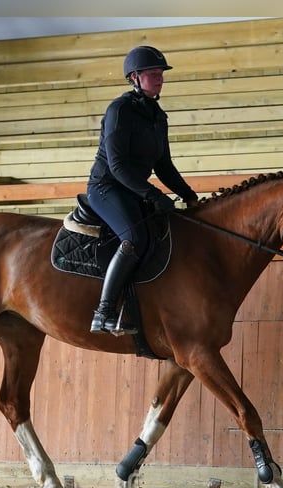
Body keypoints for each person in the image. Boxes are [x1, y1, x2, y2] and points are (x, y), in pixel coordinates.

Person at [86, 45, 199, 335]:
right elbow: (118, 166)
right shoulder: (119, 111)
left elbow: (164, 165)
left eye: (161, 73)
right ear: (134, 77)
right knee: (134, 237)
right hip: (107, 187)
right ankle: (104, 311)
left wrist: (188, 194)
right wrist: (154, 195)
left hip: (133, 190)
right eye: (153, 73)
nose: (159, 77)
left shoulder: (158, 116)